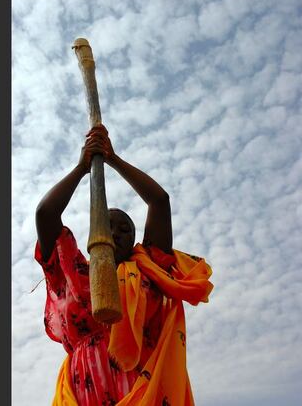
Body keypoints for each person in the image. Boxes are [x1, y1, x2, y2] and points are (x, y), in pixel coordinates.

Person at [35, 124, 214, 406]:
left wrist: (113, 159)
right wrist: (83, 167)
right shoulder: (71, 271)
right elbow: (45, 214)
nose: (116, 233)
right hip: (82, 393)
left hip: (143, 390)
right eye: (107, 224)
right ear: (94, 229)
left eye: (125, 229)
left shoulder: (149, 269)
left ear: (134, 239)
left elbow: (159, 200)